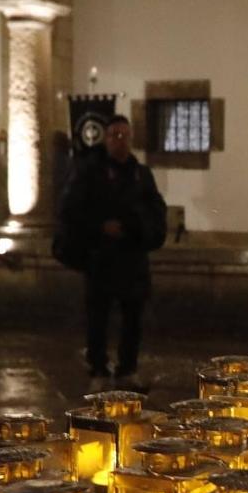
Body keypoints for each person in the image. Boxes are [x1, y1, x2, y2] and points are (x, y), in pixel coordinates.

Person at [56, 114, 167, 392]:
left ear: (131, 139)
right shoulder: (88, 173)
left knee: (133, 318)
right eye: (114, 135)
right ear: (105, 139)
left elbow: (155, 210)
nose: (119, 140)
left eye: (124, 135)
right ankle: (98, 368)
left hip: (132, 258)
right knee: (98, 317)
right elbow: (72, 210)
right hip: (100, 258)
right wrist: (99, 227)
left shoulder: (142, 175)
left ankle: (128, 368)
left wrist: (133, 227)